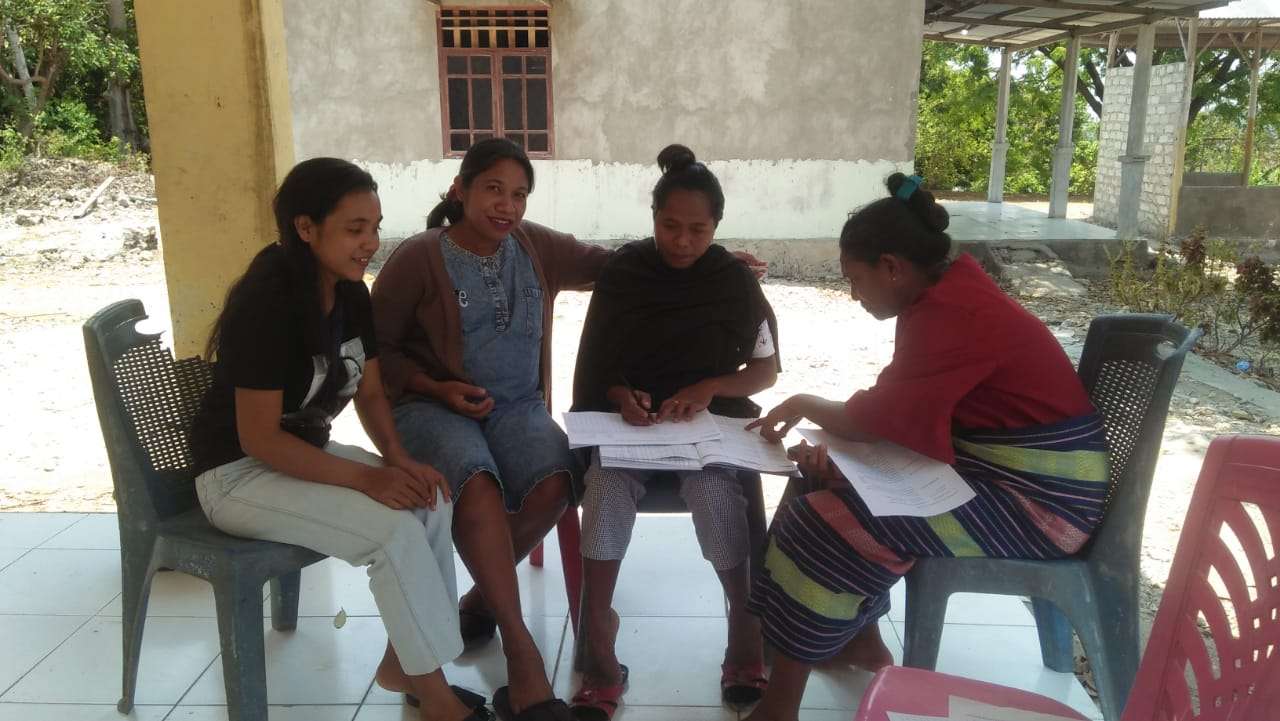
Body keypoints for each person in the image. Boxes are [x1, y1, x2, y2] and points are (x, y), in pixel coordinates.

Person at [741, 174, 1109, 721]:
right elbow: (901, 412)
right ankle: (858, 644)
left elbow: (875, 420)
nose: (854, 294)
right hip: (1004, 477)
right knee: (819, 479)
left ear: (891, 267)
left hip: (1042, 507)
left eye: (856, 279)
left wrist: (804, 402)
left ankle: (779, 706)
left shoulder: (956, 313)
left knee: (821, 522)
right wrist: (843, 455)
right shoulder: (944, 298)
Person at [191, 158, 485, 721]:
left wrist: (398, 460)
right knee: (392, 532)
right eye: (355, 229)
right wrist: (367, 480)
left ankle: (405, 667)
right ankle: (438, 699)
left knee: (429, 500)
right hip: (235, 475)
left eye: (374, 227)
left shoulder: (350, 294)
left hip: (300, 455)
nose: (370, 242)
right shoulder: (267, 303)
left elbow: (371, 392)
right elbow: (259, 438)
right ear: (306, 227)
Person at [372, 138, 610, 721]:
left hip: (517, 408)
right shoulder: (420, 256)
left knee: (559, 477)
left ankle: (478, 601)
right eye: (494, 190)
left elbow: (613, 263)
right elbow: (375, 351)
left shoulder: (533, 245)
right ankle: (521, 651)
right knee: (476, 485)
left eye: (519, 194)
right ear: (461, 190)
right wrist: (437, 387)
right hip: (431, 409)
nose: (507, 206)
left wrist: (711, 260)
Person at [568, 144, 780, 720]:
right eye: (670, 226)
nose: (682, 241)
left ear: (717, 226)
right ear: (653, 217)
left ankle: (744, 627)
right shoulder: (626, 273)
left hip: (707, 428)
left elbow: (765, 370)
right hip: (630, 428)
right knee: (605, 490)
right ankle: (599, 638)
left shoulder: (734, 282)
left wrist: (709, 387)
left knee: (716, 495)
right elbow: (595, 365)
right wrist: (622, 396)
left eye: (698, 230)